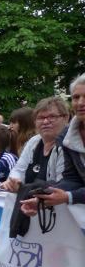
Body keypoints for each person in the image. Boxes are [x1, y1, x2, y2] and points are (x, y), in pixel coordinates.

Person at [22, 74, 85, 214]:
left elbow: (70, 193)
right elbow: (72, 179)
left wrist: (68, 196)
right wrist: (42, 198)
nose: (80, 102)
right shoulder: (67, 136)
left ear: (65, 117)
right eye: (76, 97)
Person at [2, 97, 69, 192]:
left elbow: (61, 185)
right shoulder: (33, 141)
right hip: (28, 198)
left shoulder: (68, 145)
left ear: (65, 118)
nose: (45, 121)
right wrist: (12, 182)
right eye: (41, 118)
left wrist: (23, 188)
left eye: (52, 117)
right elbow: (19, 169)